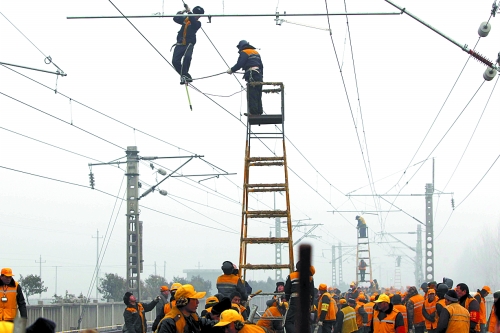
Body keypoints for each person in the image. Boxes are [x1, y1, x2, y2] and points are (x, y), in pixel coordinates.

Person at [226, 40, 264, 115]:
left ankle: (254, 112)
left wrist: (231, 70)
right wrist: (261, 76)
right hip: (258, 75)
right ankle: (259, 111)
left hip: (251, 74)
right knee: (258, 93)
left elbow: (240, 64)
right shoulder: (256, 52)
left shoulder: (245, 52)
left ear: (241, 46)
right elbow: (261, 66)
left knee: (252, 93)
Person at [172, 5, 204, 84]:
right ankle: (185, 75)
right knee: (175, 61)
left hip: (189, 43)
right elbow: (175, 18)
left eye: (199, 15)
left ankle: (185, 75)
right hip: (180, 43)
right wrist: (183, 11)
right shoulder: (185, 20)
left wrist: (189, 12)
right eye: (196, 15)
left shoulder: (197, 23)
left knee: (187, 57)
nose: (198, 17)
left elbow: (193, 21)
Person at [284, 261, 315, 333]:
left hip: (295, 301)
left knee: (288, 322)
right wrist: (310, 304)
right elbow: (312, 292)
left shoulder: (292, 276)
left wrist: (288, 300)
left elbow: (287, 290)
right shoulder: (309, 277)